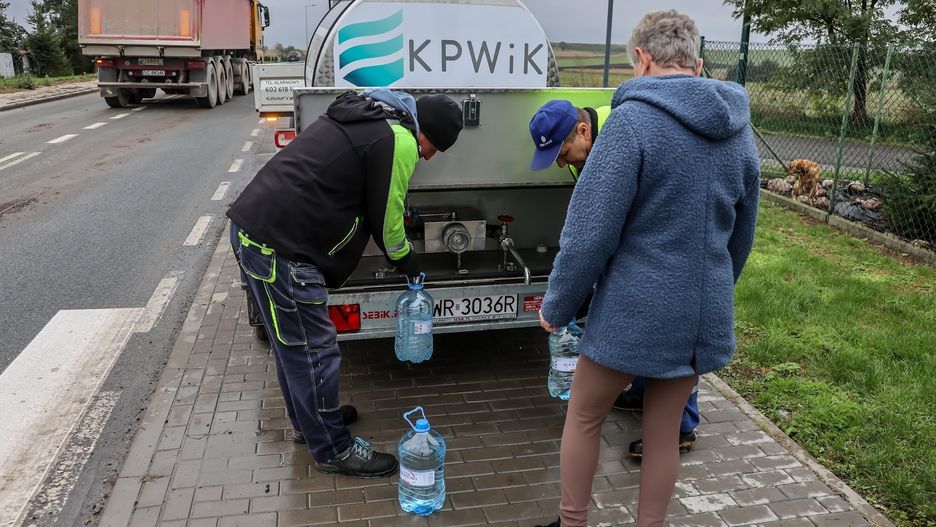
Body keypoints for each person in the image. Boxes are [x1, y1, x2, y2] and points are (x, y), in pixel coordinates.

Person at [535, 10, 760, 527]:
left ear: (641, 57)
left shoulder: (632, 121)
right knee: (664, 433)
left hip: (634, 309)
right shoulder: (739, 131)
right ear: (696, 61)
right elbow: (742, 235)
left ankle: (572, 523)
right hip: (699, 311)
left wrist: (559, 305)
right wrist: (715, 285)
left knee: (585, 414)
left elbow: (590, 231)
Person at [226, 89, 463, 478]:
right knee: (315, 351)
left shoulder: (371, 119)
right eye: (433, 148)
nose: (427, 157)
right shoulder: (399, 139)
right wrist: (408, 261)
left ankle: (313, 426)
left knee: (294, 349)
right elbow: (389, 223)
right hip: (281, 249)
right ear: (428, 133)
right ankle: (334, 449)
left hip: (258, 232)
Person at [529, 100, 700, 458]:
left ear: (583, 131)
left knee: (668, 334)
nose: (561, 163)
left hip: (673, 248)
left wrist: (564, 298)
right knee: (637, 323)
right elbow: (596, 222)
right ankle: (640, 389)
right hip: (640, 247)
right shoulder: (591, 148)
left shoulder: (623, 137)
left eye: (562, 152)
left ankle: (679, 429)